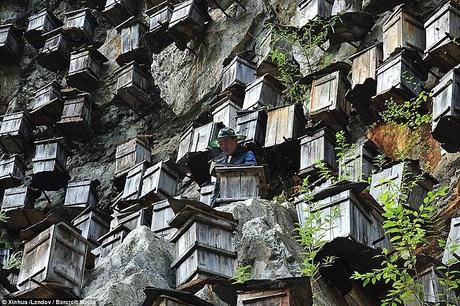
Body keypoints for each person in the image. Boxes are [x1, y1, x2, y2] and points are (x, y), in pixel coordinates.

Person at [208, 128, 257, 207]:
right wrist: (210, 206)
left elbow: (252, 167)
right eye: (220, 143)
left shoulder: (247, 154)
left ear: (235, 140)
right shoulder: (224, 160)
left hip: (244, 197)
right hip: (226, 200)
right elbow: (217, 187)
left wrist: (228, 167)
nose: (224, 146)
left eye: (226, 142)